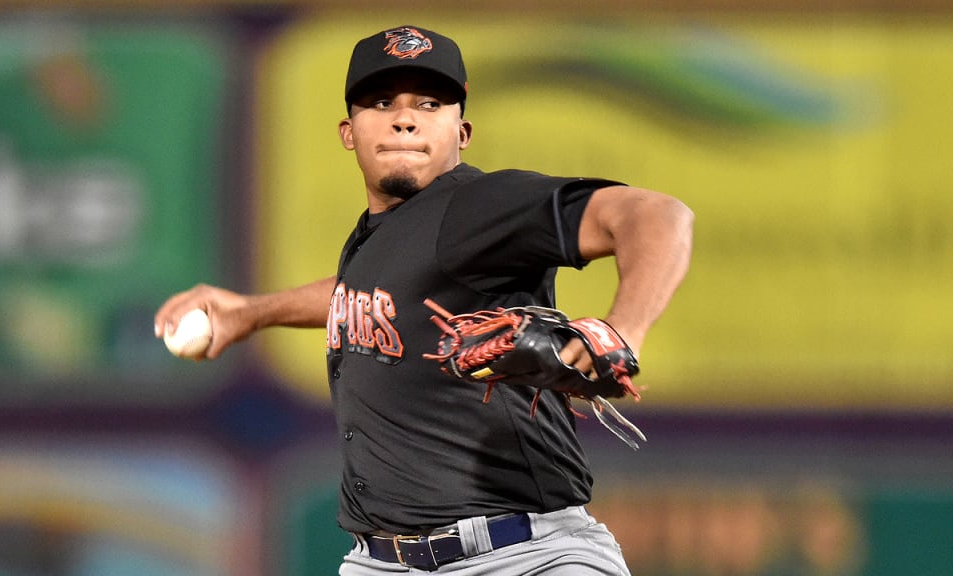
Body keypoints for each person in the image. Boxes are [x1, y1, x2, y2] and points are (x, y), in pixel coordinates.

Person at [155, 25, 693, 576]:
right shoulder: (383, 233)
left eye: (428, 103)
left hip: (522, 558)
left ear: (461, 132)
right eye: (381, 101)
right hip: (381, 564)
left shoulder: (477, 206)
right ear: (348, 131)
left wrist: (622, 330)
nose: (404, 117)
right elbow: (368, 296)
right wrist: (249, 312)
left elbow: (659, 217)